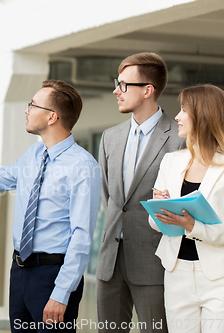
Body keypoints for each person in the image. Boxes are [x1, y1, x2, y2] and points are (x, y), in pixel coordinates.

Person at [0, 79, 101, 332]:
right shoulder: (33, 156)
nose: (26, 110)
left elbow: (81, 237)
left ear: (52, 116)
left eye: (32, 105)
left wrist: (61, 294)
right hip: (20, 272)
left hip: (53, 276)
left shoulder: (83, 166)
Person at [96, 52, 185, 332]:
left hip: (153, 263)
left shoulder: (179, 138)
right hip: (110, 262)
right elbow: (110, 198)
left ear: (148, 90)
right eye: (116, 83)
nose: (116, 91)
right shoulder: (110, 137)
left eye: (123, 85)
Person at [149, 84, 224, 333]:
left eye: (183, 110)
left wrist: (192, 226)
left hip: (217, 276)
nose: (177, 117)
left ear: (203, 116)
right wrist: (160, 208)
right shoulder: (172, 161)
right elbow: (154, 223)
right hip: (176, 270)